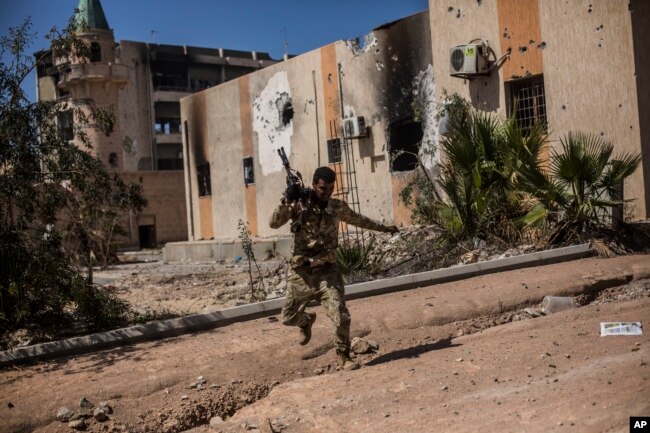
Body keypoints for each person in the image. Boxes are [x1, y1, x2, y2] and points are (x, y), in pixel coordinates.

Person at [269, 166, 399, 371]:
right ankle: (306, 321)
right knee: (288, 318)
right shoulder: (299, 204)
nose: (327, 192)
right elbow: (273, 223)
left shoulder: (336, 207)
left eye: (331, 188)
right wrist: (286, 200)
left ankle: (344, 355)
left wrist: (384, 228)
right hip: (301, 274)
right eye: (323, 188)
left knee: (340, 314)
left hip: (327, 271)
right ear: (313, 185)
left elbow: (359, 219)